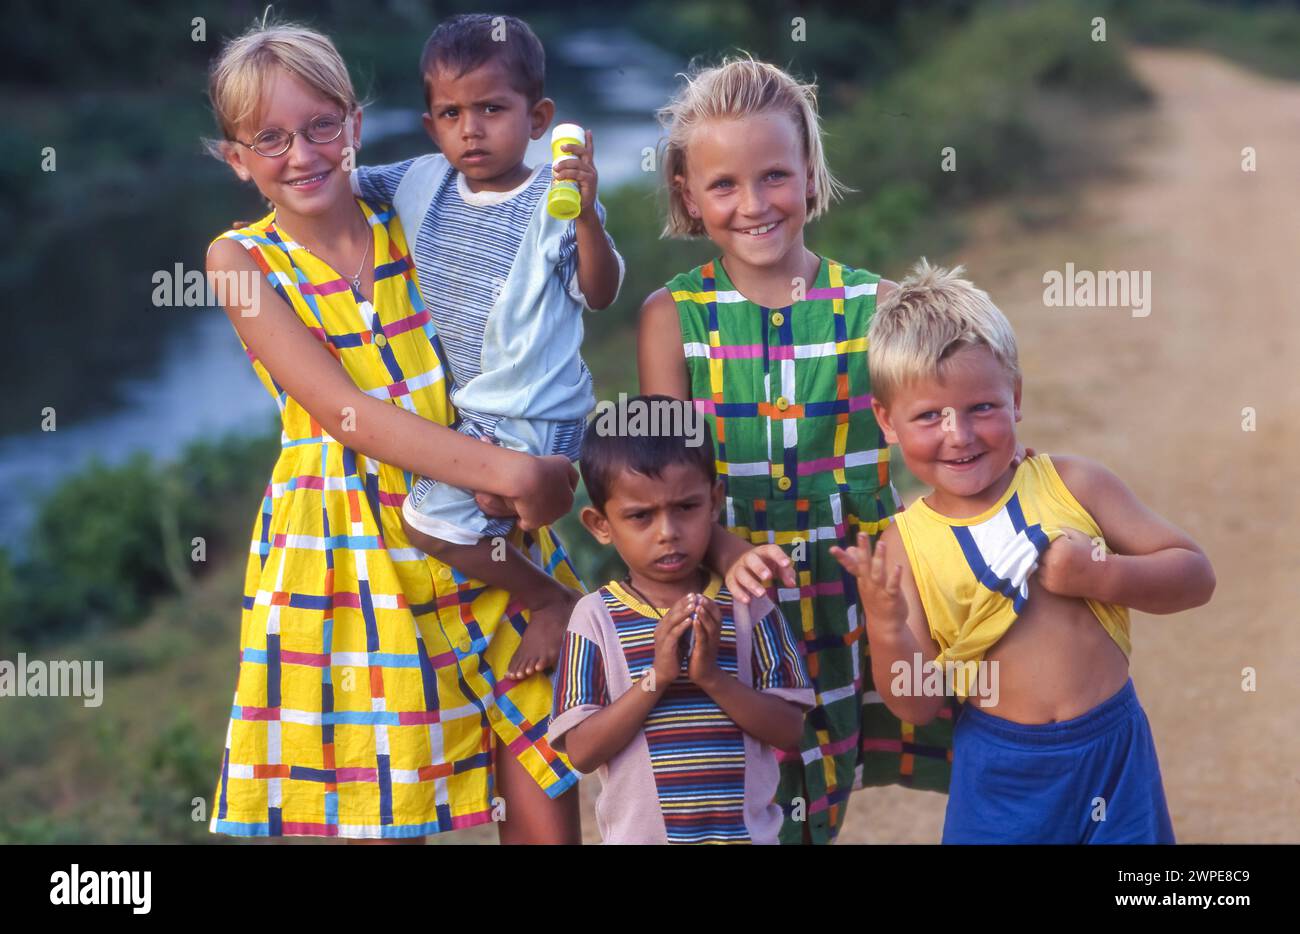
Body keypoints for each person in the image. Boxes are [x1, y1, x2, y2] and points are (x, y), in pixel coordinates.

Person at [203, 21, 584, 842]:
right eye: (269, 139)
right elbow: (349, 415)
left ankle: (546, 599)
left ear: (355, 124)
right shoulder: (239, 262)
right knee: (377, 807)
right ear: (237, 158)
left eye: (320, 127)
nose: (301, 154)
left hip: (481, 527)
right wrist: (516, 474)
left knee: (544, 779)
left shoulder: (416, 204)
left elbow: (533, 256)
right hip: (348, 556)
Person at [637, 56, 949, 844]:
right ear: (688, 195)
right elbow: (668, 481)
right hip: (728, 599)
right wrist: (727, 548)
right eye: (724, 186)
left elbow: (934, 440)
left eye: (775, 176)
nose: (754, 205)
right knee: (735, 798)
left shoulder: (874, 305)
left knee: (822, 792)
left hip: (850, 597)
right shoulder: (672, 318)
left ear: (810, 175)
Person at [832, 261, 1215, 843]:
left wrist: (1100, 574)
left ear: (1015, 396)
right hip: (1000, 772)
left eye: (981, 407)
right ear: (887, 421)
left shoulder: (1072, 485)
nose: (959, 434)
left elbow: (1195, 577)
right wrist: (886, 627)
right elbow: (916, 706)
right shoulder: (903, 547)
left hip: (1113, 754)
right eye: (929, 415)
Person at [348, 13, 624, 681]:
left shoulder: (551, 200)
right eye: (450, 113)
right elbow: (340, 185)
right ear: (430, 127)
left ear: (538, 118)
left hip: (538, 409)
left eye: (492, 108)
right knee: (490, 517)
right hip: (477, 416)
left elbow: (603, 289)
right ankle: (552, 579)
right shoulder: (421, 182)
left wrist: (587, 214)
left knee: (431, 525)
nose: (470, 128)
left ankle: (552, 600)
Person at [549, 399, 815, 843]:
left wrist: (712, 678)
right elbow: (581, 750)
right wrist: (658, 677)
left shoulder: (750, 604)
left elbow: (789, 729)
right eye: (640, 516)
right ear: (600, 524)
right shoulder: (594, 619)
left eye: (686, 507)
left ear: (714, 501)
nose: (667, 531)